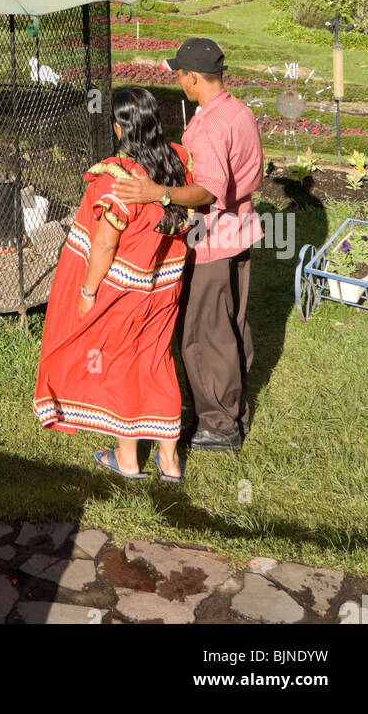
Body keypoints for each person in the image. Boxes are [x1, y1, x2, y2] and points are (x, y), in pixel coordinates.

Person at [33, 86, 195, 481]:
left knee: (118, 365)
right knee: (156, 361)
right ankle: (170, 463)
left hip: (124, 290)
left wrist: (87, 292)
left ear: (121, 129)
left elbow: (105, 243)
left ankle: (127, 459)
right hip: (165, 286)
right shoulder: (176, 164)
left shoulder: (118, 178)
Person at [114, 37, 264, 452]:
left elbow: (208, 191)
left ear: (193, 77)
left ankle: (218, 424)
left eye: (179, 74)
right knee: (232, 325)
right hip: (240, 231)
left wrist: (157, 193)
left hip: (212, 240)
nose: (178, 81)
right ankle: (233, 410)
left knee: (204, 335)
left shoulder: (212, 124)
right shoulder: (239, 112)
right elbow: (250, 177)